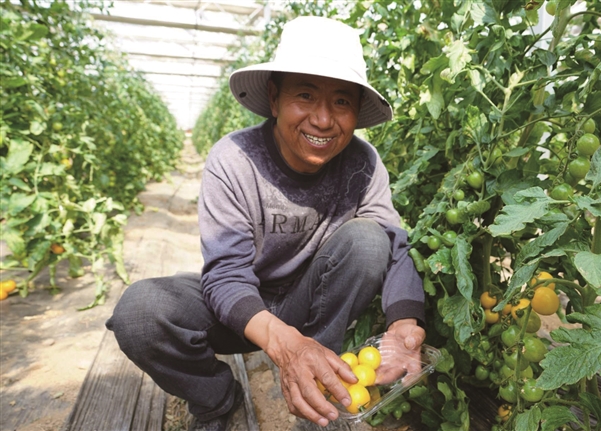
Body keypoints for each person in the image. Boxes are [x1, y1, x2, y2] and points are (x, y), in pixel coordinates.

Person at [106, 16, 426, 431]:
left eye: (341, 101)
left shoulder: (362, 164)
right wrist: (285, 345)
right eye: (305, 95)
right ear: (274, 99)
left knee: (369, 240)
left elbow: (394, 243)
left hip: (310, 304)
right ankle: (216, 397)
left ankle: (322, 388)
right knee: (140, 313)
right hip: (240, 309)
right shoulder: (234, 160)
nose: (323, 119)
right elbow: (225, 276)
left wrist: (404, 324)